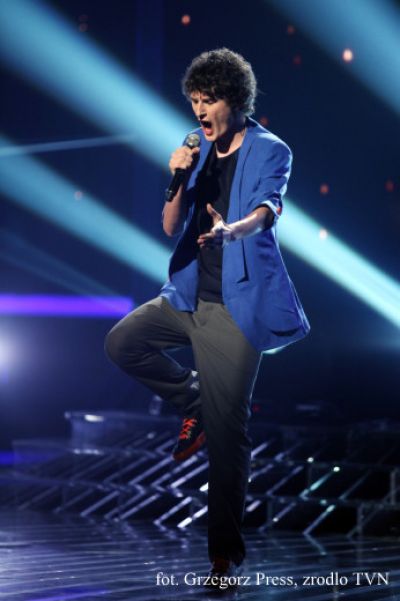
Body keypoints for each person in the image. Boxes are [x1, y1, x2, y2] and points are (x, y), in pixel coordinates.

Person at [105, 48, 310, 586]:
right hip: (187, 294)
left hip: (236, 308)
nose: (200, 109)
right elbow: (170, 226)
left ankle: (224, 557)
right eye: (195, 100)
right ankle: (194, 400)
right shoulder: (194, 147)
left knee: (227, 436)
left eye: (210, 99)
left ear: (236, 100)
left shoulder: (271, 150)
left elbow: (269, 210)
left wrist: (230, 230)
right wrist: (175, 177)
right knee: (122, 343)